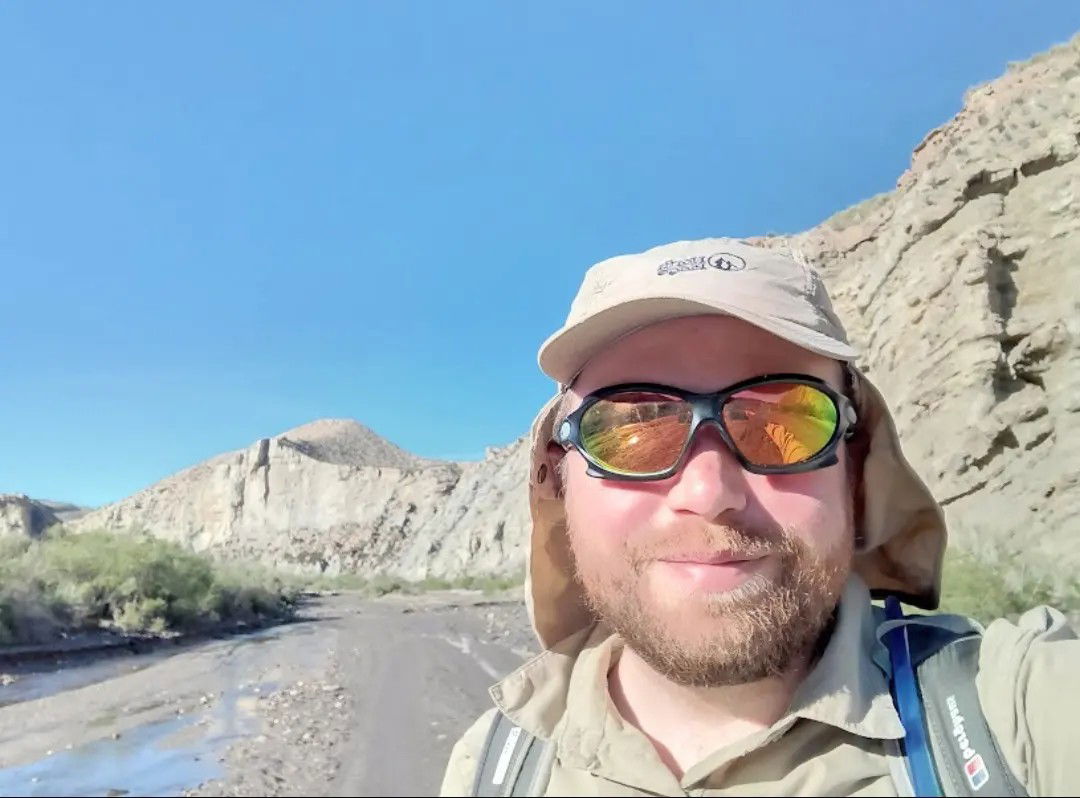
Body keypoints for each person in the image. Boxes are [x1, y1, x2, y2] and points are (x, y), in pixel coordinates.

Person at [440, 239, 1078, 796]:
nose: (710, 490)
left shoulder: (1015, 716)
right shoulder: (494, 765)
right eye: (634, 428)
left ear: (854, 470)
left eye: (784, 424)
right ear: (559, 479)